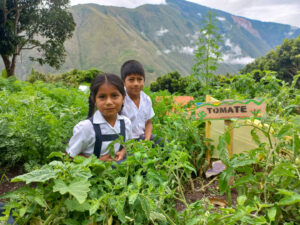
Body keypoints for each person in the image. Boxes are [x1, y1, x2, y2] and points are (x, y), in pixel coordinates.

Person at [66, 73, 132, 162]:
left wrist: (122, 152)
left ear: (123, 98)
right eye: (102, 97)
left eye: (114, 96)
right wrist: (98, 161)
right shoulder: (86, 128)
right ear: (94, 101)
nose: (109, 102)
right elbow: (69, 156)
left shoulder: (126, 123)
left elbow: (128, 144)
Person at [121, 60, 161, 145]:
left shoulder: (146, 99)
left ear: (144, 81)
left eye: (139, 79)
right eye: (131, 80)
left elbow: (149, 123)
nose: (136, 83)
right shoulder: (120, 99)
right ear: (123, 82)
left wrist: (146, 141)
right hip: (126, 141)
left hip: (142, 138)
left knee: (162, 142)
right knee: (142, 158)